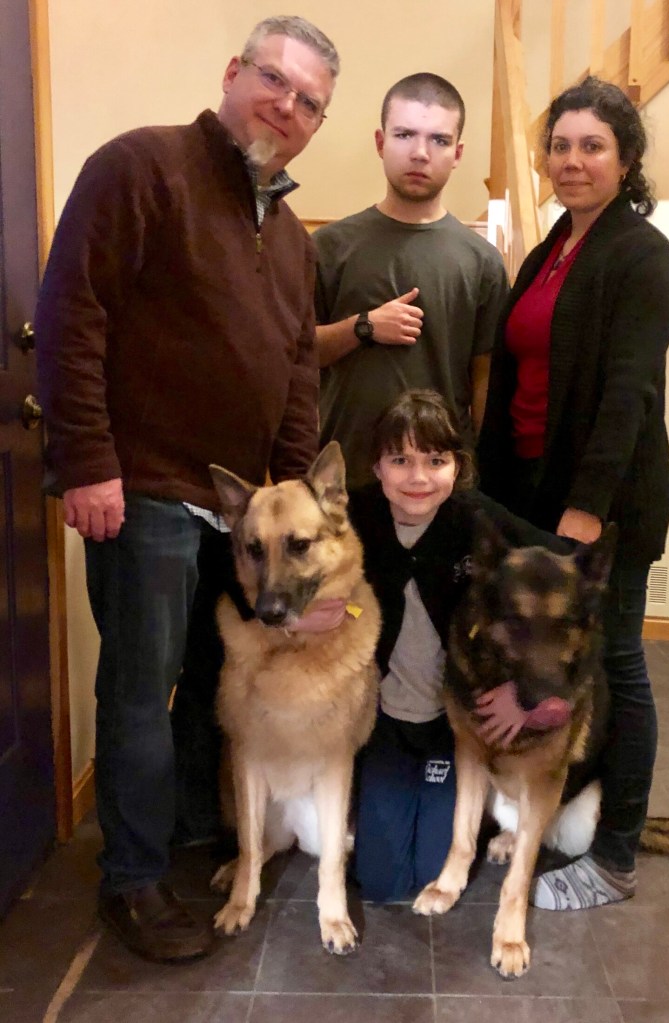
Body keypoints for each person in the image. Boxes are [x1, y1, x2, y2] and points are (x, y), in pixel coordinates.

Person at [34, 14, 339, 963]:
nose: (285, 107)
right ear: (233, 72)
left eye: (309, 102)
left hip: (241, 518)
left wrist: (285, 503)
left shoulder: (291, 238)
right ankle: (131, 878)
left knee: (212, 680)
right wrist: (87, 461)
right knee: (140, 686)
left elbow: (296, 376)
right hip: (147, 494)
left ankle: (190, 837)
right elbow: (70, 311)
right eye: (275, 81)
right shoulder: (139, 168)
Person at [476, 76, 669, 910]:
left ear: (624, 158)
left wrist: (586, 510)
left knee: (617, 668)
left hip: (603, 507)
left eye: (591, 145)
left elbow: (627, 391)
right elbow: (519, 371)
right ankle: (543, 819)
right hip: (531, 493)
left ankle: (616, 855)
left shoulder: (641, 254)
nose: (571, 160)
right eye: (559, 145)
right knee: (558, 667)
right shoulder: (553, 245)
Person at [344, 390, 572, 901]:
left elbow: (565, 578)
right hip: (385, 721)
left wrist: (530, 695)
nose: (419, 478)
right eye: (400, 460)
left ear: (458, 466)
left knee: (431, 871)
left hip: (456, 730)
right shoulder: (354, 517)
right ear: (376, 466)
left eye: (436, 460)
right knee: (381, 883)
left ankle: (469, 813)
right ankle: (381, 802)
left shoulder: (476, 519)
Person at [314, 73, 509, 488]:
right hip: (344, 479)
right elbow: (299, 353)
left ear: (457, 153)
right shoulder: (330, 247)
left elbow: (485, 380)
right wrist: (363, 326)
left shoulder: (483, 262)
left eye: (438, 140)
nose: (420, 153)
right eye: (405, 135)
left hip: (438, 484)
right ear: (381, 142)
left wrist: (478, 475)